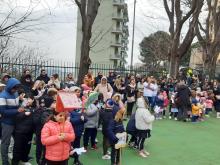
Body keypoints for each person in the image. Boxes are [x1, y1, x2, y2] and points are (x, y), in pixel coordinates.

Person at [0, 78, 24, 165]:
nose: (15, 90)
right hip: (7, 123)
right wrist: (17, 111)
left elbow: (16, 106)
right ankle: (5, 162)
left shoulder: (16, 93)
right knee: (5, 143)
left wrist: (21, 102)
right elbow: (3, 112)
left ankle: (16, 160)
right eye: (14, 88)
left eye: (16, 88)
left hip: (16, 121)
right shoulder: (2, 96)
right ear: (10, 86)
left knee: (17, 142)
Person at [12, 94, 36, 165]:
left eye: (29, 98)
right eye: (27, 98)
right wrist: (24, 114)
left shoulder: (35, 108)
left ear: (33, 100)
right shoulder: (20, 107)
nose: (28, 100)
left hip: (29, 132)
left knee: (27, 147)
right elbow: (16, 117)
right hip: (20, 131)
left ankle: (24, 159)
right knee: (17, 148)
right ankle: (15, 162)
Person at [69, 86, 87, 165]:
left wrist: (84, 118)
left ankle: (76, 160)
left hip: (79, 130)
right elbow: (71, 120)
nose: (78, 93)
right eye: (76, 91)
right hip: (71, 131)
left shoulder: (81, 103)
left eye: (79, 92)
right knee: (69, 147)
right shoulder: (68, 105)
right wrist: (80, 119)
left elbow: (85, 118)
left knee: (77, 146)